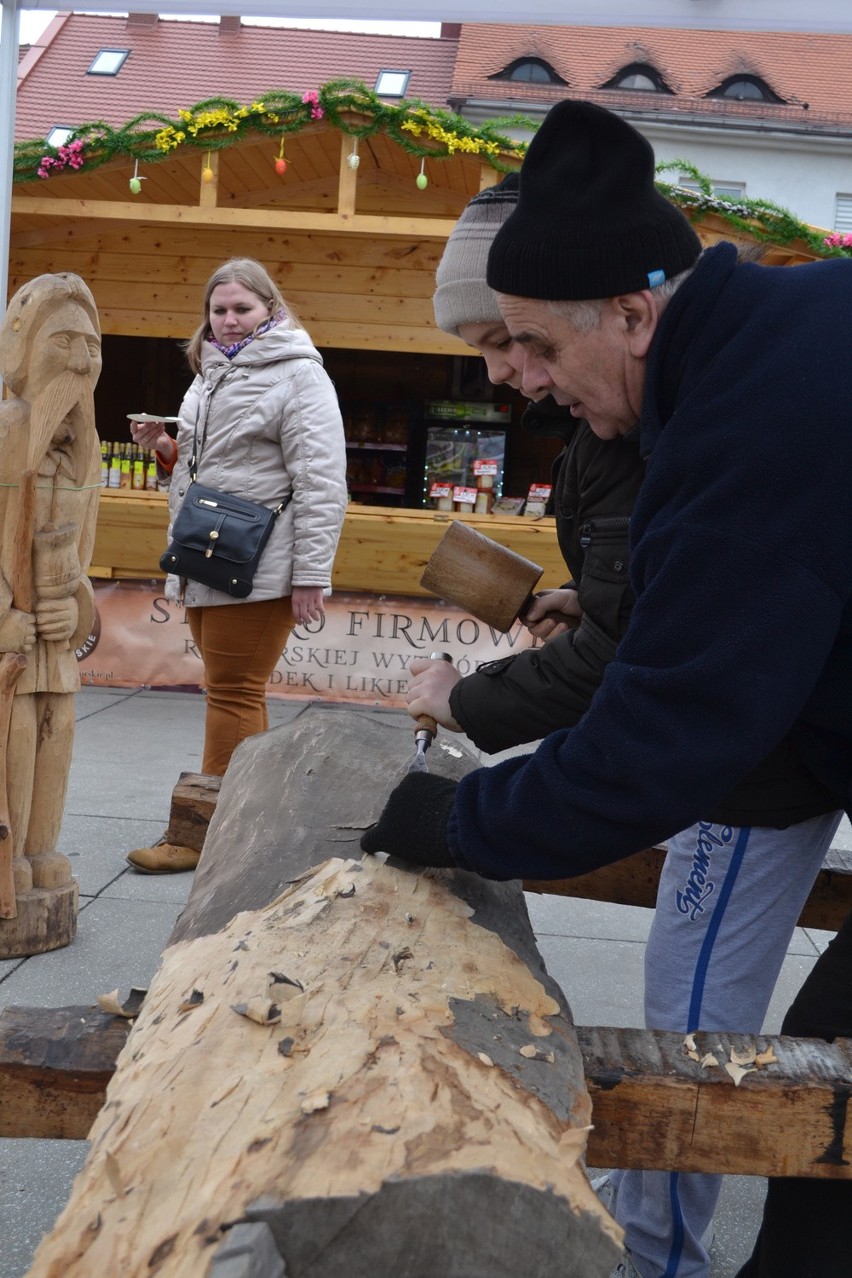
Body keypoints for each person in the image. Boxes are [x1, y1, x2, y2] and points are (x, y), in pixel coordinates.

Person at [361, 100, 852, 1278]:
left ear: (635, 312)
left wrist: (461, 820)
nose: (521, 379)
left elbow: (666, 731)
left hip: (755, 776)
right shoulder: (777, 336)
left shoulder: (752, 419)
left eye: (530, 345)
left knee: (823, 1089)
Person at [126, 257, 347, 874]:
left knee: (231, 693)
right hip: (209, 554)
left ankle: (202, 837)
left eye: (241, 308)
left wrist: (310, 575)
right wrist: (167, 449)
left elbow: (323, 481)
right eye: (218, 309)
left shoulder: (300, 377)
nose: (227, 320)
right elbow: (213, 464)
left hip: (259, 562)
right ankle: (245, 829)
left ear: (271, 310)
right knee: (233, 693)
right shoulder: (210, 374)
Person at [0, 272, 101, 904]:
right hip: (11, 638)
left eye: (91, 345)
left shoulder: (85, 450)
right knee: (11, 733)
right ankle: (7, 854)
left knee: (55, 727)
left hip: (55, 644)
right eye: (64, 341)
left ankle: (42, 847)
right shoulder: (8, 430)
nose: (82, 360)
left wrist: (77, 607)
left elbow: (85, 551)